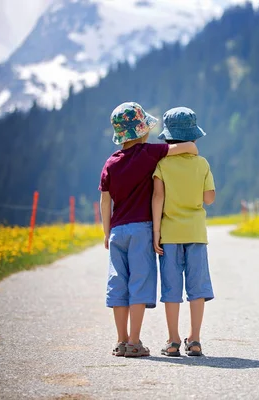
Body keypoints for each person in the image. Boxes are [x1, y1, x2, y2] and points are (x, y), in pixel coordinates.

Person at [99, 102, 199, 357]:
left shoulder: (110, 163)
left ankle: (121, 341)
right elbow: (188, 147)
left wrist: (106, 231)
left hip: (117, 231)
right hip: (142, 229)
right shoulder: (149, 153)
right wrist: (189, 147)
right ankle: (135, 341)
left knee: (118, 284)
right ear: (142, 131)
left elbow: (105, 200)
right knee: (140, 282)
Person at [152, 107, 215, 357]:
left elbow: (157, 197)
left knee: (171, 288)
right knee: (196, 288)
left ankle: (173, 340)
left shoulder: (162, 164)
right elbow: (209, 199)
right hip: (196, 234)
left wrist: (156, 231)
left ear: (167, 137)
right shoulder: (202, 163)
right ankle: (196, 339)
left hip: (169, 234)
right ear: (194, 137)